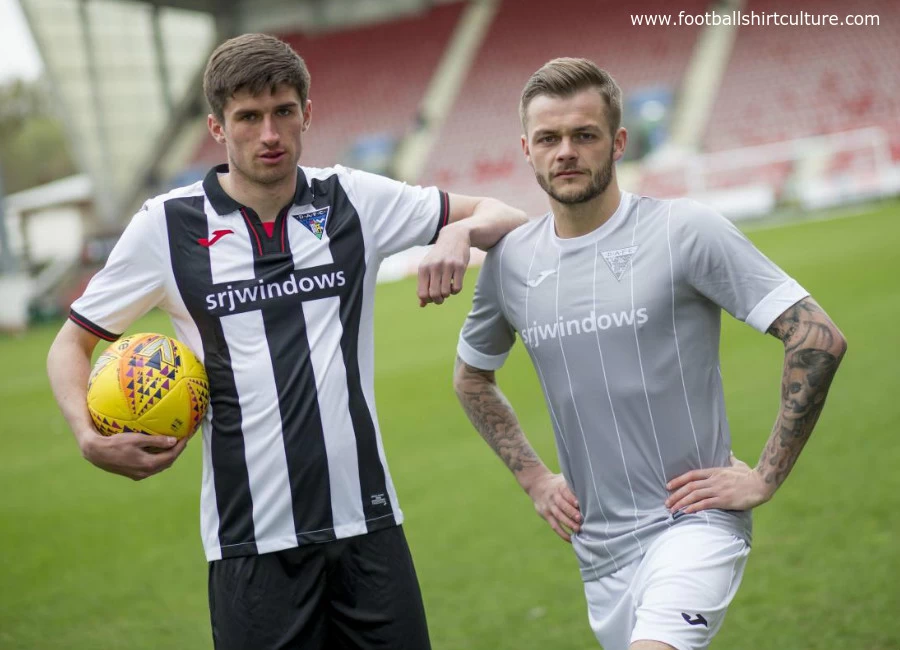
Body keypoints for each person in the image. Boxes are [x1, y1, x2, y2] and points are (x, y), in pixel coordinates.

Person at [47, 33, 526, 650]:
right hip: (251, 545)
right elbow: (69, 345)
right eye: (248, 117)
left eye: (283, 112)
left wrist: (462, 235)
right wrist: (87, 437)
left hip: (369, 528)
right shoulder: (167, 227)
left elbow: (502, 212)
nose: (269, 134)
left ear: (307, 113)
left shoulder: (352, 198)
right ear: (218, 128)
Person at [453, 57, 847, 650]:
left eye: (584, 135)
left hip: (693, 525)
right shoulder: (511, 262)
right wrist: (534, 478)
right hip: (599, 550)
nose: (566, 151)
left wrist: (765, 477)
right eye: (549, 138)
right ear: (526, 150)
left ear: (617, 142)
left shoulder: (683, 229)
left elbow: (817, 337)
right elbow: (471, 379)